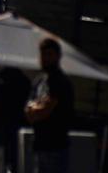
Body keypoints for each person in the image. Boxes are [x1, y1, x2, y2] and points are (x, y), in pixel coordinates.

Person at [25, 38, 74, 173]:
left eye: (49, 54)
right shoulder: (39, 80)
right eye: (43, 54)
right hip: (39, 145)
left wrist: (37, 108)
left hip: (56, 147)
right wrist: (37, 108)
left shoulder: (59, 81)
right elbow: (28, 110)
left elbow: (46, 110)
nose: (45, 58)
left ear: (58, 56)